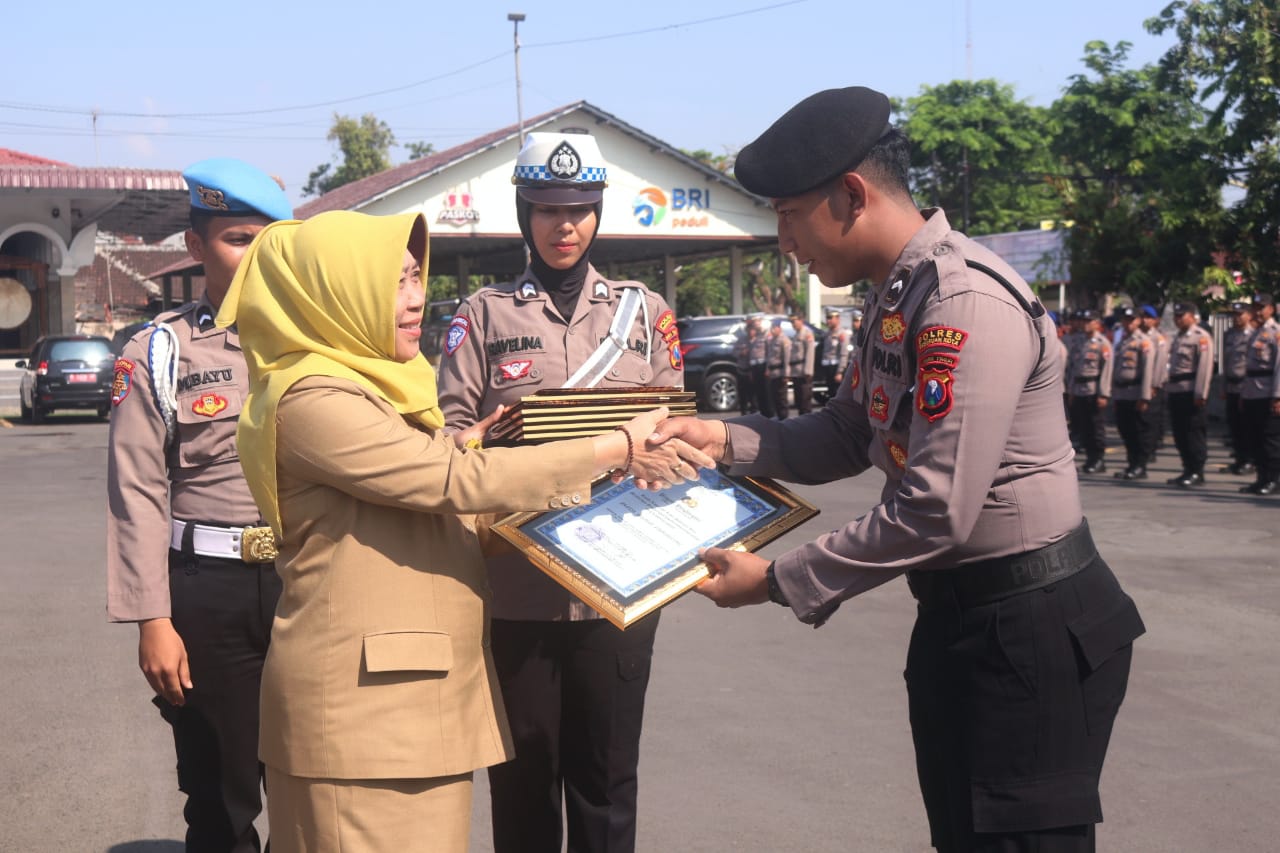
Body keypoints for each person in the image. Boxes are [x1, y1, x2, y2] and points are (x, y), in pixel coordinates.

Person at [650, 86, 1144, 853]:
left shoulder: (962, 302)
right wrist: (718, 437)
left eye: (787, 215)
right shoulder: (899, 295)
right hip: (963, 620)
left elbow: (934, 510)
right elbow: (849, 432)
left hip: (1028, 627)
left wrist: (778, 581)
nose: (784, 240)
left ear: (850, 195)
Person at [217, 209, 707, 853]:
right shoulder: (313, 397)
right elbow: (447, 482)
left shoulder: (376, 391)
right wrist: (613, 446)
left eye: (417, 277)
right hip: (364, 721)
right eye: (393, 282)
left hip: (415, 708)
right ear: (335, 290)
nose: (416, 298)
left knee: (603, 781)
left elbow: (450, 503)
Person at [434, 131, 687, 853]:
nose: (565, 224)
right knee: (523, 779)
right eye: (547, 208)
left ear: (599, 210)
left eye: (580, 207)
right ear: (523, 211)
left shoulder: (642, 313)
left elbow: (677, 431)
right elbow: (450, 442)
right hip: (520, 583)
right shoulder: (480, 317)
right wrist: (480, 438)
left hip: (623, 577)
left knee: (607, 780)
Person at [106, 158, 291, 853]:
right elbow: (138, 490)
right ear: (195, 245)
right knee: (221, 796)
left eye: (271, 239)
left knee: (315, 782)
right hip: (207, 593)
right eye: (240, 238)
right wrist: (153, 617)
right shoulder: (162, 349)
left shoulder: (321, 338)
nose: (257, 256)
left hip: (306, 580)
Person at [1164, 301, 1214, 487]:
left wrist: (1200, 393)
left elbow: (1204, 368)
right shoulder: (1178, 337)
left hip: (1191, 392)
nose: (1178, 319)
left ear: (1192, 316)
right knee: (1180, 433)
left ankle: (1197, 471)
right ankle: (1187, 468)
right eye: (1176, 316)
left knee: (1194, 433)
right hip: (1177, 390)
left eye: (1181, 316)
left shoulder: (1201, 337)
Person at [1238, 293, 1280, 494]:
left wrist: (1278, 396)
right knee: (1254, 438)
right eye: (1255, 307)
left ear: (1271, 309)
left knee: (1270, 439)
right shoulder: (1255, 332)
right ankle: (1261, 478)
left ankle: (1273, 480)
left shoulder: (1276, 332)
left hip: (1268, 392)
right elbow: (1248, 367)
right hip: (1252, 392)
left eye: (1261, 307)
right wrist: (1243, 394)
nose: (1257, 311)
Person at [1111, 307, 1156, 480]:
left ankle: (1140, 465)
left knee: (1139, 431)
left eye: (1131, 320)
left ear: (1138, 321)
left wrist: (1145, 396)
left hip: (1136, 392)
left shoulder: (1143, 342)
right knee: (1126, 430)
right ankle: (1131, 463)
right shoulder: (1123, 341)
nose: (1128, 323)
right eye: (1125, 320)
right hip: (1122, 392)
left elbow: (1147, 371)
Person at [1067, 309, 1112, 474]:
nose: (1085, 325)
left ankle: (1098, 459)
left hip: (1093, 389)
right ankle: (1090, 459)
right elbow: (1073, 368)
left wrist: (1103, 394)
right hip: (1079, 389)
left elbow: (1106, 370)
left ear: (1097, 324)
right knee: (1084, 427)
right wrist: (1071, 390)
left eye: (1089, 321)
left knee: (1096, 427)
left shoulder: (1102, 343)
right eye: (1084, 321)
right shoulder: (1080, 342)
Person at [1221, 301, 1254, 475]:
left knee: (1246, 425)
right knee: (1233, 425)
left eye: (1240, 314)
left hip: (1246, 385)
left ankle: (1249, 460)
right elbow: (1227, 363)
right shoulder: (1229, 335)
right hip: (1232, 385)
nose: (1237, 318)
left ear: (1249, 315)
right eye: (1234, 314)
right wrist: (1224, 386)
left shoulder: (1253, 335)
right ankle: (1239, 460)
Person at [1140, 305, 1170, 463]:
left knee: (1151, 420)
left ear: (1155, 321)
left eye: (1149, 317)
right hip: (1138, 386)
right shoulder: (1137, 337)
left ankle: (1149, 450)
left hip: (1153, 386)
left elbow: (1160, 364)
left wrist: (1154, 385)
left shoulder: (1158, 339)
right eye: (1143, 317)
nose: (1145, 320)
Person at [817, 307, 853, 404]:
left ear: (837, 319)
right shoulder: (827, 333)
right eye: (827, 318)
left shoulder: (842, 334)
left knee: (838, 394)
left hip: (836, 368)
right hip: (827, 367)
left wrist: (840, 372)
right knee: (831, 393)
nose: (828, 321)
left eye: (831, 318)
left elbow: (844, 354)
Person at [788, 313, 816, 414]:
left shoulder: (807, 334)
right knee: (799, 401)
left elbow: (810, 353)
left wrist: (808, 371)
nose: (793, 324)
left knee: (805, 401)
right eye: (791, 322)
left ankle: (807, 426)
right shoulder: (796, 335)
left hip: (804, 372)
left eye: (794, 321)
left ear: (801, 321)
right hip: (796, 372)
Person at [747, 312, 774, 417]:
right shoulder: (755, 335)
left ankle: (770, 415)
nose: (755, 324)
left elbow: (770, 353)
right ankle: (763, 414)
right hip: (755, 367)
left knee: (767, 392)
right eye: (753, 323)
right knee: (759, 393)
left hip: (763, 366)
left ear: (761, 322)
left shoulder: (767, 334)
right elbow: (752, 354)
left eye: (756, 322)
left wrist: (768, 368)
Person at [735, 315, 760, 414]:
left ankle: (754, 414)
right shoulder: (742, 339)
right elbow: (733, 352)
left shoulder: (758, 340)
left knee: (753, 396)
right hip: (742, 371)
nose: (751, 332)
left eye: (753, 330)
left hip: (754, 372)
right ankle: (743, 414)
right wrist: (741, 353)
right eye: (749, 329)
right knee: (743, 396)